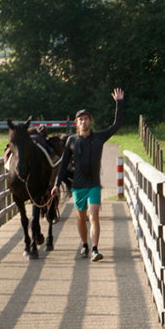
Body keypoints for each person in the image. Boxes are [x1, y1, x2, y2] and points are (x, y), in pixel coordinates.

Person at [53, 88, 125, 262]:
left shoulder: (99, 137)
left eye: (86, 119)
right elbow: (63, 165)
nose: (83, 122)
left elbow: (117, 125)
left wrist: (119, 103)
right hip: (78, 186)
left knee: (93, 216)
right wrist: (56, 184)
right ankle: (84, 244)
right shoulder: (71, 141)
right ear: (77, 123)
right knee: (80, 217)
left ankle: (94, 249)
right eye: (80, 120)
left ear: (90, 121)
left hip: (93, 184)